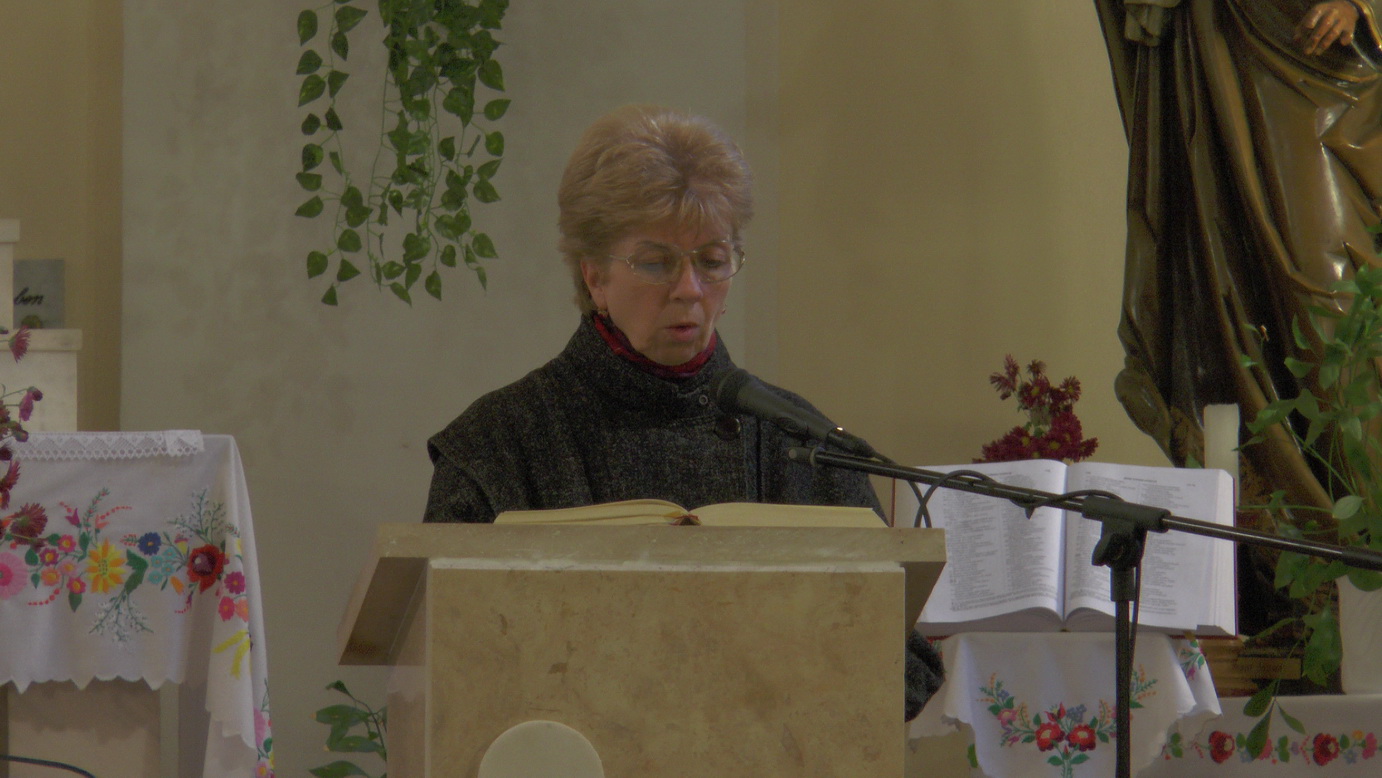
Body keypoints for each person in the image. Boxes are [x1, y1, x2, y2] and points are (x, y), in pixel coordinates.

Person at [422, 104, 943, 719]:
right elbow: (450, 661)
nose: (690, 289)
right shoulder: (497, 443)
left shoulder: (798, 438)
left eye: (712, 261)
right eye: (656, 262)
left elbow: (904, 667)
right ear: (594, 276)